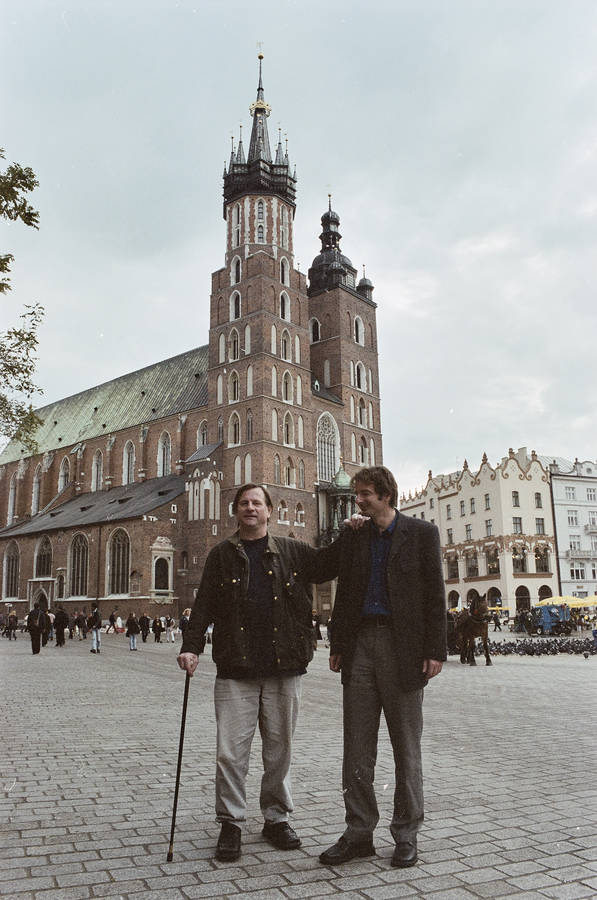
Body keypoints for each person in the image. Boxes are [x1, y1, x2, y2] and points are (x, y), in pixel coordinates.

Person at [177, 483, 341, 863]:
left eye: (257, 503)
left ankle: (276, 819)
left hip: (284, 667)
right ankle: (231, 823)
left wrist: (351, 530)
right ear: (235, 511)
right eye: (244, 503)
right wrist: (191, 645)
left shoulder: (293, 550)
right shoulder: (221, 555)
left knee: (279, 751)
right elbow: (204, 604)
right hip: (237, 667)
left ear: (270, 510)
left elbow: (328, 564)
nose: (250, 508)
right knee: (230, 754)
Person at [319, 466, 446, 870]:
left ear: (386, 496)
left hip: (403, 647)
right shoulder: (355, 535)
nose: (358, 500)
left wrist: (435, 651)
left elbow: (434, 595)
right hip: (359, 646)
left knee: (406, 747)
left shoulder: (421, 534)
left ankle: (406, 835)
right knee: (356, 746)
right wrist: (339, 644)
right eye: (356, 494)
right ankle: (358, 832)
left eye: (365, 494)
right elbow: (344, 592)